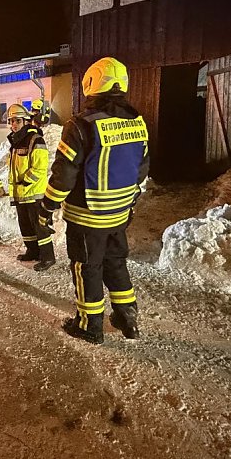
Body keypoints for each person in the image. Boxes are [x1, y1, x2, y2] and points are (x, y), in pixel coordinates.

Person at [39, 57, 149, 343]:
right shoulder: (138, 122)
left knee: (87, 267)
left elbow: (64, 174)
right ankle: (127, 317)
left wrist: (47, 205)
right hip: (119, 213)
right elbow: (142, 168)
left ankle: (90, 326)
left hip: (87, 216)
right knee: (115, 262)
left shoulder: (80, 125)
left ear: (92, 83)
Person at [6, 103, 56, 271]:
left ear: (26, 121)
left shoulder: (35, 139)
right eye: (11, 121)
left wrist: (26, 182)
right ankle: (33, 251)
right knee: (26, 226)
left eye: (17, 121)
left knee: (39, 226)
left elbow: (40, 167)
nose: (13, 124)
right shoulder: (15, 141)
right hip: (21, 194)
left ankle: (48, 257)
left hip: (33, 193)